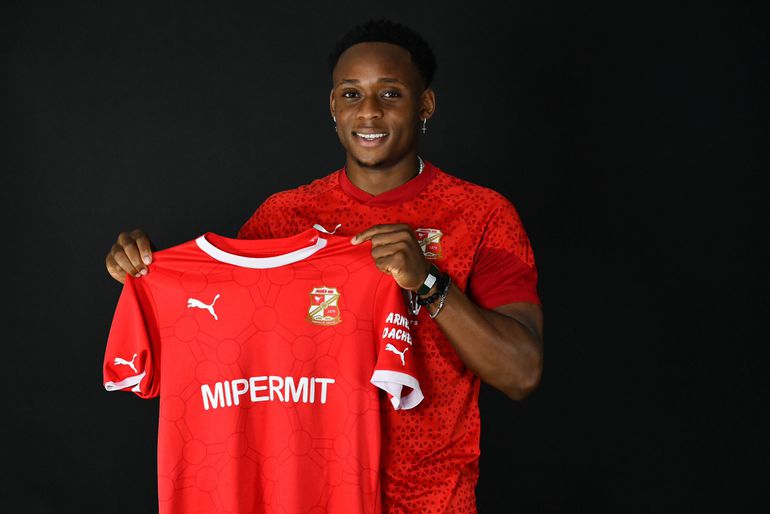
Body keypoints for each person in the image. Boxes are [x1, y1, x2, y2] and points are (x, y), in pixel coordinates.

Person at [105, 19, 543, 513]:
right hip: (310, 497)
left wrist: (427, 281)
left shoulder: (481, 214)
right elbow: (223, 336)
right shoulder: (283, 217)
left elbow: (521, 372)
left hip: (431, 501)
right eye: (352, 94)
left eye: (391, 93)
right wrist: (149, 276)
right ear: (333, 107)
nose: (369, 111)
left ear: (425, 105)